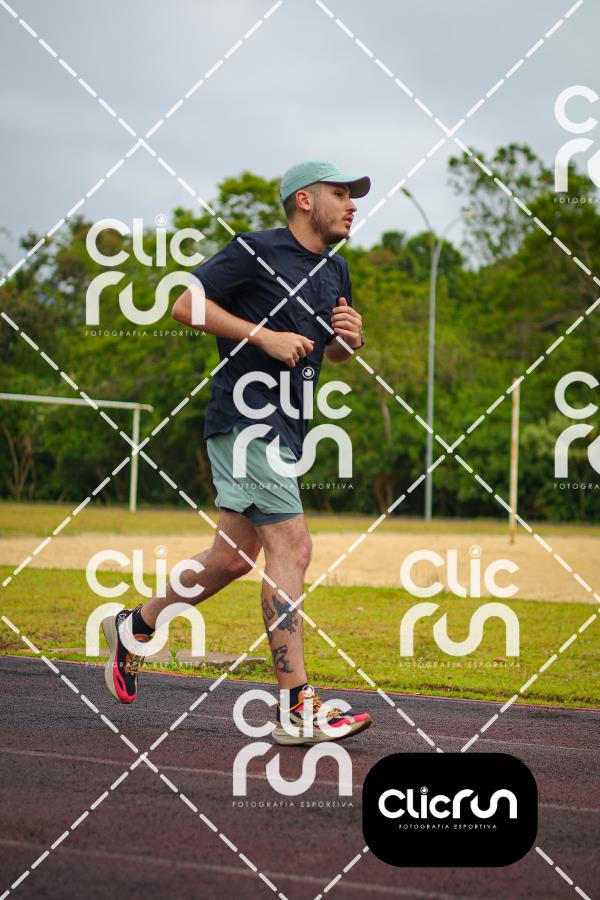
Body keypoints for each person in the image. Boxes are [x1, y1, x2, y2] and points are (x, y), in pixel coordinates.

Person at [102, 160, 373, 745]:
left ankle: (135, 626)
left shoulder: (336, 267)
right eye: (340, 193)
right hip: (246, 421)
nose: (352, 205)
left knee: (231, 559)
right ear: (305, 200)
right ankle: (296, 708)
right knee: (293, 547)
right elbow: (184, 305)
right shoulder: (255, 250)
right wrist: (261, 335)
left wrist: (349, 341)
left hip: (289, 427)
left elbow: (332, 352)